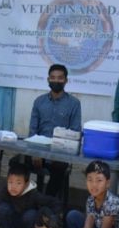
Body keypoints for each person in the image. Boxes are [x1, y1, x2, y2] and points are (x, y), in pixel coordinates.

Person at [24, 64, 82, 196]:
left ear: (66, 80)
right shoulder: (39, 101)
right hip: (38, 152)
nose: (56, 81)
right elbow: (33, 130)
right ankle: (24, 200)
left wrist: (59, 154)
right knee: (16, 162)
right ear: (48, 80)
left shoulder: (74, 103)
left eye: (60, 78)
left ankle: (46, 204)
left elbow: (75, 132)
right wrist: (35, 153)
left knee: (59, 169)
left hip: (60, 154)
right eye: (53, 78)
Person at [0, 162, 63, 228]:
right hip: (12, 220)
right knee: (2, 208)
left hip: (28, 223)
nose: (13, 187)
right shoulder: (5, 190)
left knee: (31, 214)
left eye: (18, 183)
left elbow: (54, 202)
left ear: (26, 184)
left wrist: (54, 217)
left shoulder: (34, 194)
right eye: (10, 182)